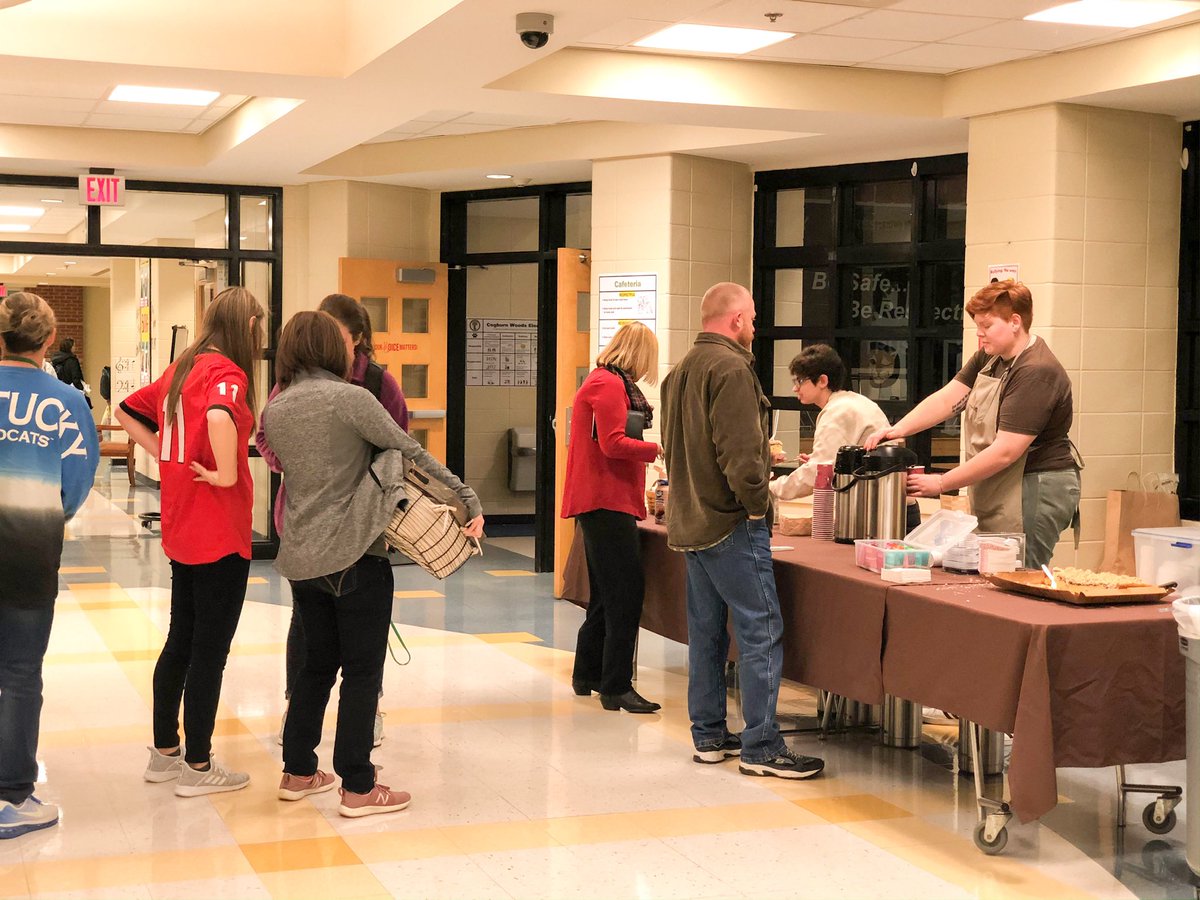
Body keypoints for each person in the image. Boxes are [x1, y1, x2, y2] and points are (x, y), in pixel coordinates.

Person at [262, 310, 484, 817]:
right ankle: (358, 786)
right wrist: (467, 498)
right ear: (331, 349)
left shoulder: (277, 408)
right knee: (362, 672)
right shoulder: (351, 399)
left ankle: (298, 771)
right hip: (357, 553)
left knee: (315, 667)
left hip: (301, 554)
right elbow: (410, 452)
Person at [660, 282, 824, 780]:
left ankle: (709, 735)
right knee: (761, 630)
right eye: (752, 316)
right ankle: (762, 746)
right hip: (730, 522)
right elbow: (742, 455)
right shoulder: (731, 368)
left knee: (707, 634)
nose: (755, 325)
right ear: (735, 320)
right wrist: (758, 506)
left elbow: (673, 447)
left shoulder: (679, 371)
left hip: (689, 521)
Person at [116, 287, 264, 796]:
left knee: (181, 639)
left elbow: (125, 409)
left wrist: (164, 453)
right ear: (247, 327)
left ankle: (164, 753)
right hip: (219, 528)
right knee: (210, 650)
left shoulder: (181, 368)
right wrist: (226, 474)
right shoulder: (227, 374)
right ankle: (199, 767)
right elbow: (222, 417)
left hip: (182, 524)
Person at [257, 293, 408, 748]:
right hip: (304, 523)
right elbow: (266, 437)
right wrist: (295, 462)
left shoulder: (379, 384)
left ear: (356, 340)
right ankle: (300, 719)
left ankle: (364, 718)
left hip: (362, 527)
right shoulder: (291, 387)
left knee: (362, 645)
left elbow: (399, 446)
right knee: (308, 635)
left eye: (336, 335)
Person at [864, 280, 1080, 569]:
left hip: (1035, 485)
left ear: (1015, 321)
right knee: (992, 572)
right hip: (1001, 483)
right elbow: (948, 398)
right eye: (978, 325)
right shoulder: (990, 357)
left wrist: (941, 483)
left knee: (1019, 573)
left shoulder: (1036, 372)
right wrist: (898, 428)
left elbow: (1006, 450)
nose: (979, 333)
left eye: (987, 325)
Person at [0, 292, 98, 839]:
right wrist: (45, 512)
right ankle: (12, 796)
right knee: (18, 673)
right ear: (47, 341)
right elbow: (77, 481)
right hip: (30, 550)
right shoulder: (65, 402)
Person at [562, 322, 662, 714]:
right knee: (625, 594)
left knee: (605, 594)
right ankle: (616, 685)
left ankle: (587, 673)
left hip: (605, 499)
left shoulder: (607, 381)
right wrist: (656, 448)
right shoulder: (608, 385)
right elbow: (613, 442)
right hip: (605, 500)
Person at [769, 344, 921, 532]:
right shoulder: (852, 401)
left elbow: (819, 470)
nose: (794, 388)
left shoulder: (838, 411)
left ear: (823, 380)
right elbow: (845, 461)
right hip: (892, 508)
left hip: (885, 513)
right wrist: (835, 463)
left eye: (800, 380)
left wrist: (773, 487)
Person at [50, 337, 90, 408]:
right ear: (70, 347)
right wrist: (82, 389)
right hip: (72, 393)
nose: (75, 347)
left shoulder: (55, 361)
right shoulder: (72, 361)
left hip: (59, 393)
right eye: (73, 346)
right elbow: (76, 378)